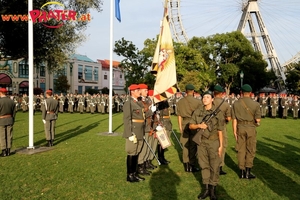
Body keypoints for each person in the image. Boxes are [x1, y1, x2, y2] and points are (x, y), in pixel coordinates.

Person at [189, 90, 224, 200]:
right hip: (202, 142)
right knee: (204, 165)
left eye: (208, 97)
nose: (205, 99)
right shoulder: (198, 111)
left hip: (214, 142)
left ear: (212, 99)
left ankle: (213, 190)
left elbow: (220, 130)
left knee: (214, 166)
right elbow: (190, 126)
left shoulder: (218, 113)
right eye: (204, 97)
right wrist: (199, 125)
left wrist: (221, 146)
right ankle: (206, 189)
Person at [231, 84, 261, 179]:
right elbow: (258, 120)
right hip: (250, 128)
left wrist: (234, 131)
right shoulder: (255, 104)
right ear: (251, 93)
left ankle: (242, 172)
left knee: (241, 150)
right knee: (250, 149)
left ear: (241, 93)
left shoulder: (235, 104)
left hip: (240, 127)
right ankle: (248, 171)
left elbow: (234, 119)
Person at [177, 84, 202, 172]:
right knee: (193, 145)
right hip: (194, 124)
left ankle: (187, 165)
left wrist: (180, 127)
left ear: (186, 91)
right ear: (193, 91)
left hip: (184, 123)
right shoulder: (198, 102)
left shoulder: (180, 102)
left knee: (185, 145)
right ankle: (192, 164)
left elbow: (179, 116)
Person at [123, 84, 145, 182]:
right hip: (134, 131)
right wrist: (129, 133)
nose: (139, 92)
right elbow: (127, 119)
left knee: (136, 152)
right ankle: (130, 175)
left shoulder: (138, 103)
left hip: (140, 130)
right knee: (132, 152)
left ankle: (134, 173)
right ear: (132, 92)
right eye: (137, 90)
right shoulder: (129, 103)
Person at [213, 85, 231, 175]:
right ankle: (219, 167)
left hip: (210, 128)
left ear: (213, 93)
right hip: (221, 127)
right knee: (222, 146)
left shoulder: (209, 102)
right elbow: (228, 118)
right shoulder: (225, 104)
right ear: (221, 94)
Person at [0, 88, 16, 157]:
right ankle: (8, 150)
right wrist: (13, 119)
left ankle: (4, 151)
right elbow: (14, 112)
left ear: (0, 93)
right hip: (10, 119)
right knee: (9, 135)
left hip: (1, 120)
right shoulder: (11, 101)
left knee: (2, 136)